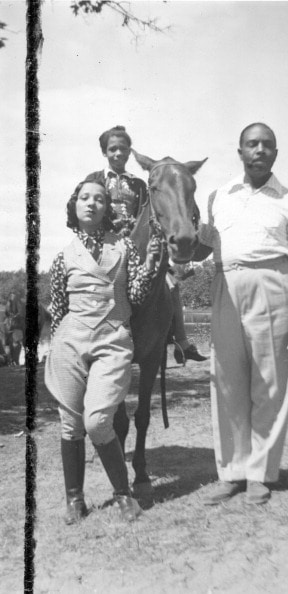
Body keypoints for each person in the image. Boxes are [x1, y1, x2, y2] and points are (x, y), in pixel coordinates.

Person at [194, 123, 288, 506]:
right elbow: (201, 251)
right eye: (252, 144)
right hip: (226, 286)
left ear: (276, 154)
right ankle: (232, 472)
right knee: (228, 383)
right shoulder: (219, 196)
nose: (259, 150)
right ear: (240, 152)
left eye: (267, 145)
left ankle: (259, 475)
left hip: (275, 288)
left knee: (270, 384)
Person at [44, 179, 161, 525]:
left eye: (99, 199)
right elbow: (58, 310)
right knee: (71, 423)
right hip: (70, 342)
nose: (91, 203)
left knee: (97, 420)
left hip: (112, 338)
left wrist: (151, 264)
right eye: (84, 197)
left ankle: (124, 495)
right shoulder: (62, 257)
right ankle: (74, 500)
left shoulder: (124, 247)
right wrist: (56, 353)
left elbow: (137, 298)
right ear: (74, 206)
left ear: (107, 209)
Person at [85, 125, 206, 363]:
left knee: (170, 284)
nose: (118, 153)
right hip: (105, 251)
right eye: (113, 149)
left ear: (130, 152)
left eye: (123, 149)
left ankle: (181, 343)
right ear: (105, 152)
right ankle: (82, 342)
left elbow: (148, 219)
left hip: (136, 253)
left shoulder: (140, 184)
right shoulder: (94, 180)